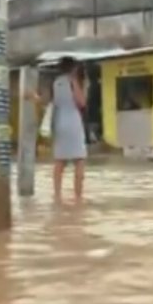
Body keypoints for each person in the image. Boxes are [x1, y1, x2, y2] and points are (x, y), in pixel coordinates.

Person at [50, 57, 88, 199]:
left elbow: (52, 103)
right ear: (73, 68)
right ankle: (78, 197)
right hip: (73, 123)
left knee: (60, 161)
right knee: (79, 160)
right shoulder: (74, 81)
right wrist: (74, 81)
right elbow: (82, 103)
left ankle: (57, 195)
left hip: (59, 123)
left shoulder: (56, 82)